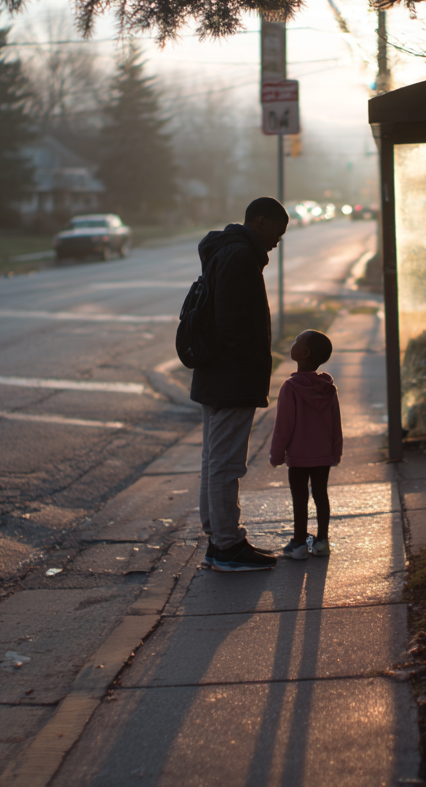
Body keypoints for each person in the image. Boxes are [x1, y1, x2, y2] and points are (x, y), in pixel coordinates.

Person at [192, 197, 289, 572]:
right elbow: (231, 321)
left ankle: (218, 537)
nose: (278, 241)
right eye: (277, 232)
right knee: (227, 463)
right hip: (231, 377)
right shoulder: (240, 257)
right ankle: (227, 545)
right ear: (260, 221)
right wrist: (252, 360)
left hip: (215, 374)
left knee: (214, 460)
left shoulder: (226, 251)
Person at [269, 329, 344, 559]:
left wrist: (277, 454)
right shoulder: (328, 388)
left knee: (299, 498)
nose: (292, 343)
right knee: (321, 495)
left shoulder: (290, 387)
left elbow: (284, 425)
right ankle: (322, 541)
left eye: (295, 341)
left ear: (303, 353)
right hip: (322, 456)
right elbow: (335, 423)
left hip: (299, 456)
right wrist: (335, 452)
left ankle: (300, 543)